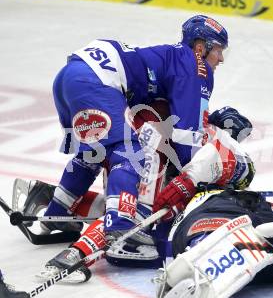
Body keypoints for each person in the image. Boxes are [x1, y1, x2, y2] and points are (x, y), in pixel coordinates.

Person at [33, 14, 251, 268]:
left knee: (93, 153)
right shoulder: (195, 67)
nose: (221, 59)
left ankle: (57, 212)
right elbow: (185, 144)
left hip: (69, 77)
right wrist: (199, 178)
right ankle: (121, 223)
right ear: (201, 47)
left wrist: (210, 118)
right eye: (218, 50)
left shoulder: (174, 58)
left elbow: (181, 112)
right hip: (97, 81)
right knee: (126, 151)